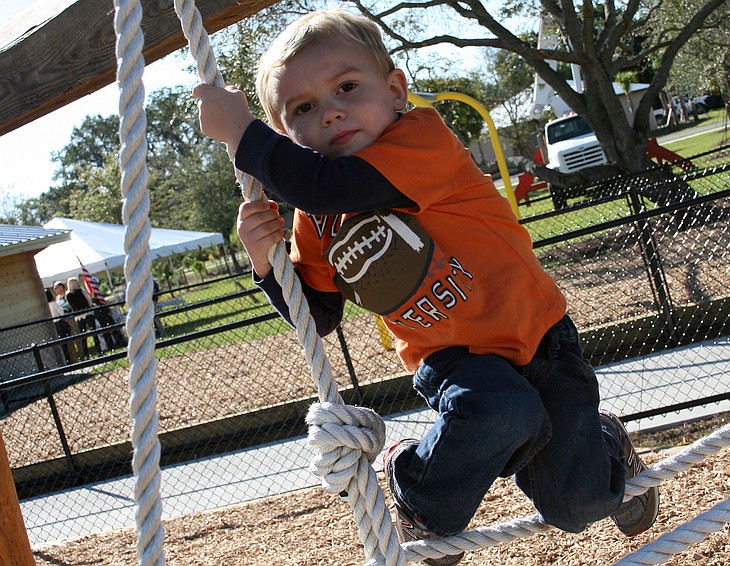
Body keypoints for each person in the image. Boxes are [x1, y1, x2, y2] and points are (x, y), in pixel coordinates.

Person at [193, 9, 659, 564]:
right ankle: (417, 491)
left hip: (539, 339)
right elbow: (317, 316)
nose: (332, 111)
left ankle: (607, 451)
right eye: (304, 108)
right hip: (453, 358)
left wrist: (241, 134)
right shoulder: (314, 217)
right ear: (287, 134)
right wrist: (266, 265)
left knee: (575, 507)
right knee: (502, 411)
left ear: (395, 90)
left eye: (346, 86)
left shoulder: (420, 140)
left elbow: (329, 185)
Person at [65, 277, 101, 358]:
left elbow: (71, 305)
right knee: (94, 332)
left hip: (78, 315)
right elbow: (89, 300)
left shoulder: (68, 295)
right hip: (88, 312)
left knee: (83, 335)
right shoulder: (81, 291)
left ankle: (86, 354)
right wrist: (91, 305)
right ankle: (99, 351)